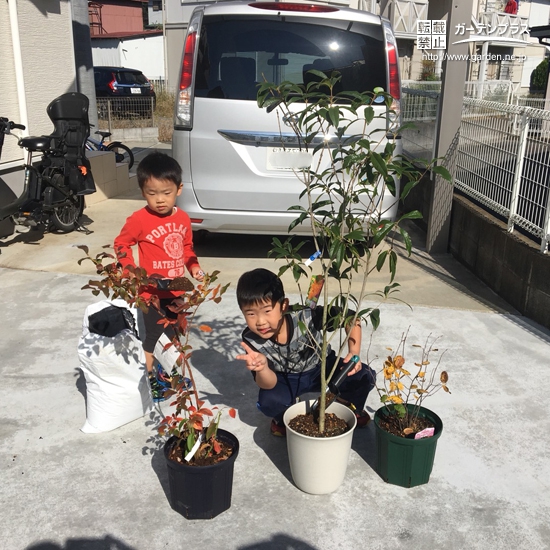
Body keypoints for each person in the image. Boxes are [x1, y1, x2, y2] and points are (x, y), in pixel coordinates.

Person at [236, 268, 376, 436]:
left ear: (283, 306)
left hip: (321, 367)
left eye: (267, 311)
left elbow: (351, 317)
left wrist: (354, 352)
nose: (260, 321)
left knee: (365, 376)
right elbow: (269, 384)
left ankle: (347, 403)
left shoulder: (306, 315)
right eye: (250, 314)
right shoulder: (251, 340)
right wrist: (263, 368)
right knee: (269, 401)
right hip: (286, 378)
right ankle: (281, 418)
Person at [114, 152, 204, 401]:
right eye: (152, 193)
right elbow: (122, 244)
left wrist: (194, 267)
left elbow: (187, 249)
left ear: (179, 189)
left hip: (178, 287)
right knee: (152, 338)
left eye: (166, 192)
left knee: (175, 334)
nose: (160, 200)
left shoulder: (184, 218)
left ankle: (169, 376)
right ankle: (150, 379)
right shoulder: (139, 220)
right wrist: (130, 270)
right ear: (143, 191)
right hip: (151, 291)